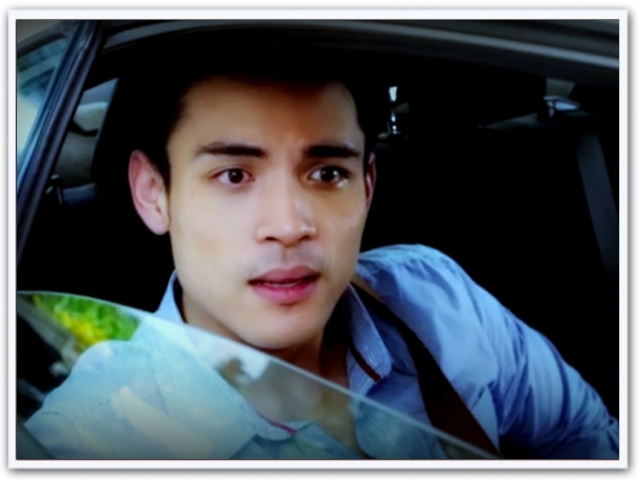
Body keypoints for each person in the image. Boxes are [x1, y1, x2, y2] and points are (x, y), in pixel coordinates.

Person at [25, 54, 619, 460]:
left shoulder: (436, 296)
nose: (289, 226)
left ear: (367, 187)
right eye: (234, 175)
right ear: (153, 193)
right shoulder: (84, 443)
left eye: (328, 172)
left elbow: (583, 437)